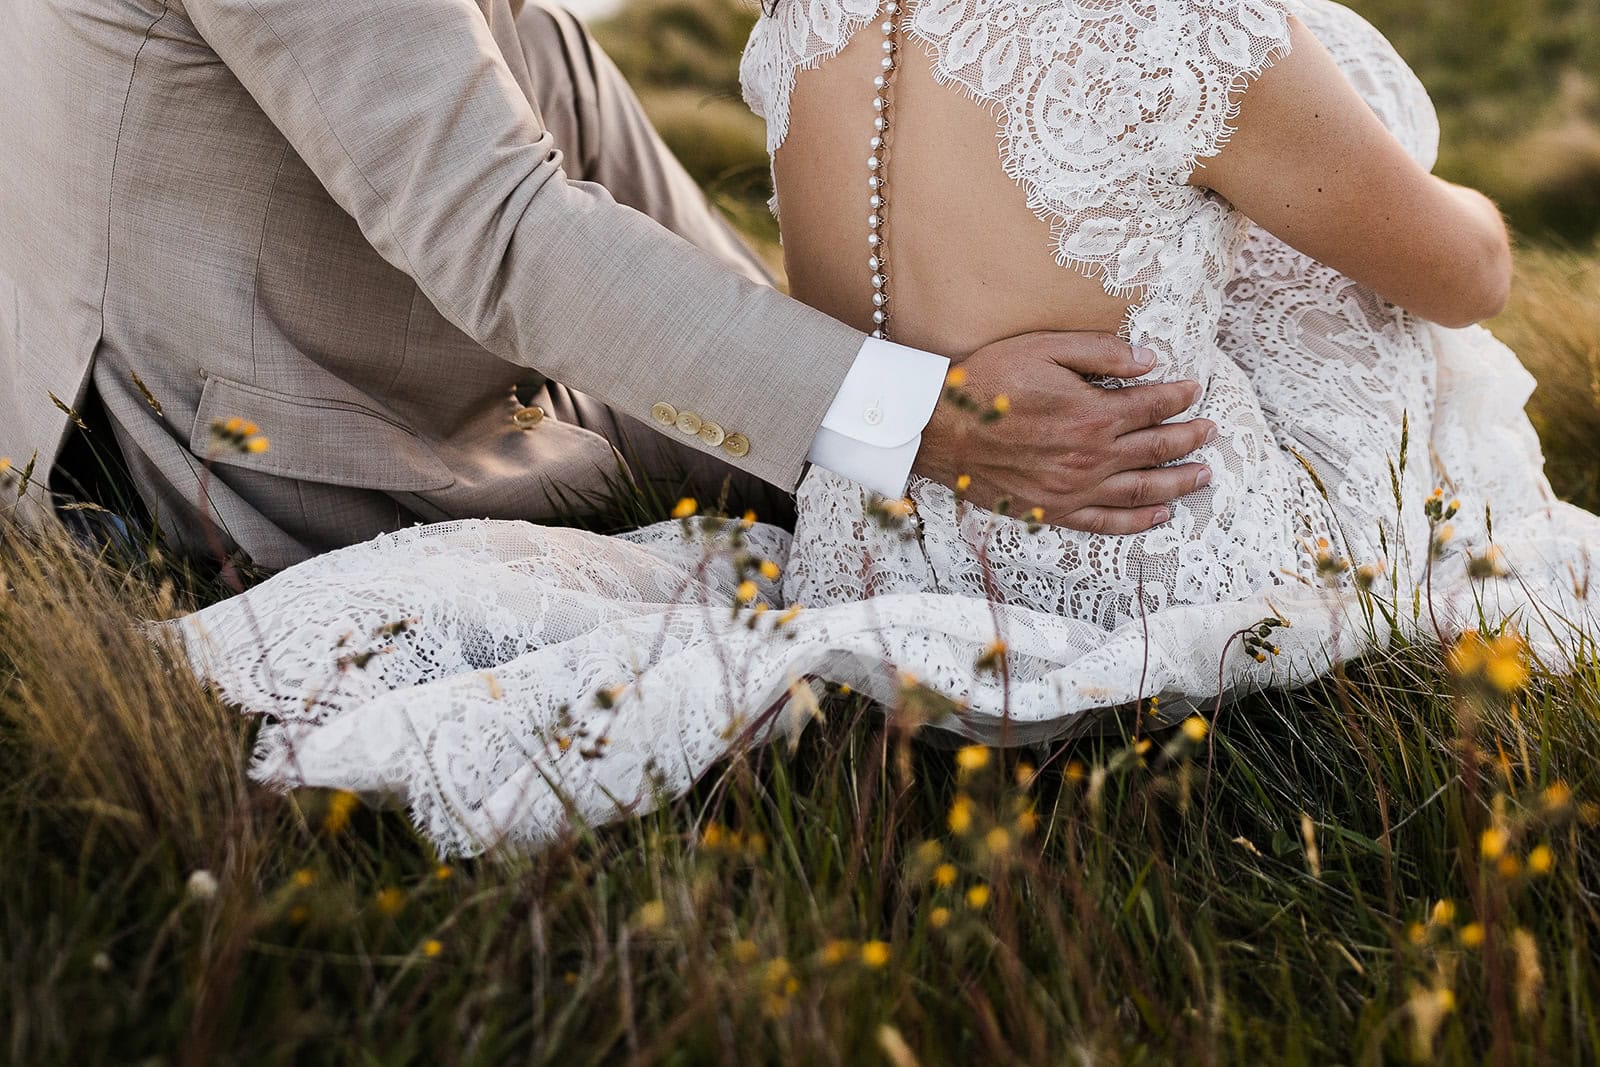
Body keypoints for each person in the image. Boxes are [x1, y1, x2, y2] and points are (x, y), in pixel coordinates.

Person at [171, 0, 1600, 856]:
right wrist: (1429, 179)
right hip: (1130, 538)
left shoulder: (804, 28)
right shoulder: (1172, 25)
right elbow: (1466, 275)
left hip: (868, 556)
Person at [0, 0, 1214, 572]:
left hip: (389, 319)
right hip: (235, 438)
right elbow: (503, 232)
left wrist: (840, 417)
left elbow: (544, 86)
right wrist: (935, 426)